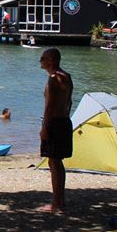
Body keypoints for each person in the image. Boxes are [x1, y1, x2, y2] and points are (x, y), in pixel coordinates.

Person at [39, 48, 74, 213]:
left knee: (53, 162)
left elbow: (49, 107)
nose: (40, 61)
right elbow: (69, 103)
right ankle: (60, 200)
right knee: (57, 162)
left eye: (42, 58)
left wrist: (44, 128)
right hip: (65, 121)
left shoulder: (53, 79)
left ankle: (55, 204)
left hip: (54, 123)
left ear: (51, 60)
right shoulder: (67, 77)